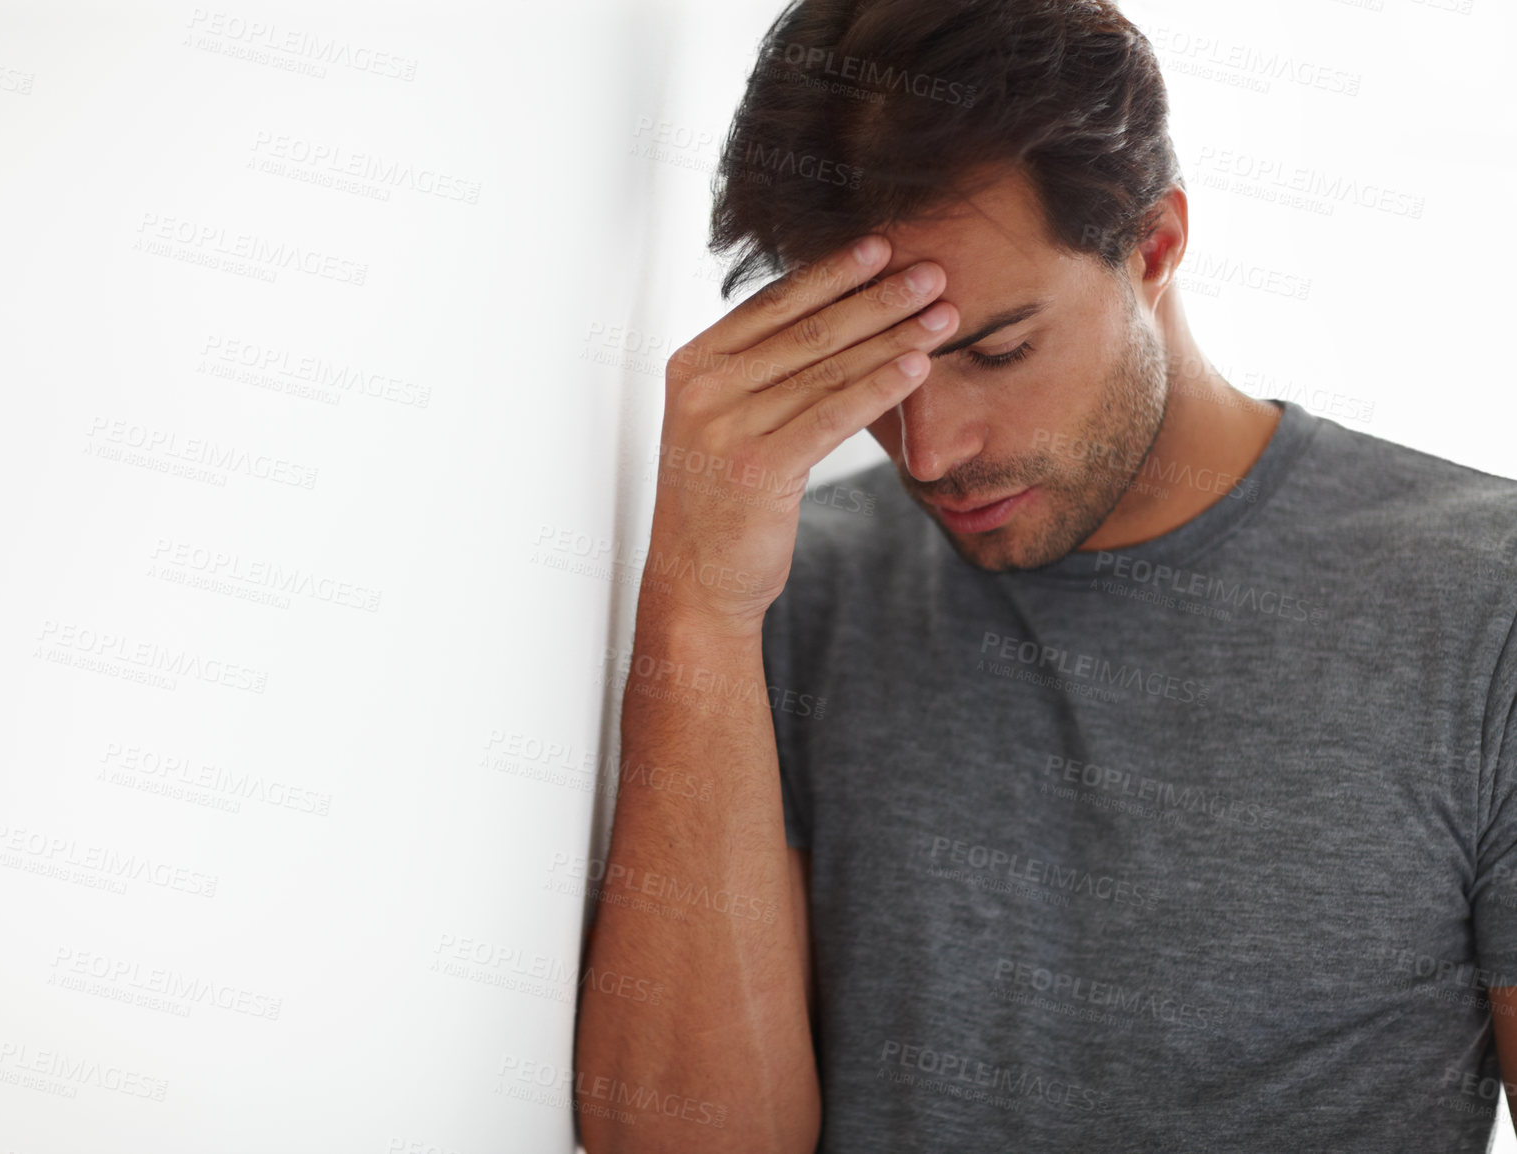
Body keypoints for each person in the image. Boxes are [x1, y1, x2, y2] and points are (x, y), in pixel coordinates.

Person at [574, 1, 1517, 1150]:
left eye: (995, 348)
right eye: (873, 367)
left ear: (1155, 245)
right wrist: (699, 604)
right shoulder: (786, 593)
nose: (929, 449)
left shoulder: (1483, 604)